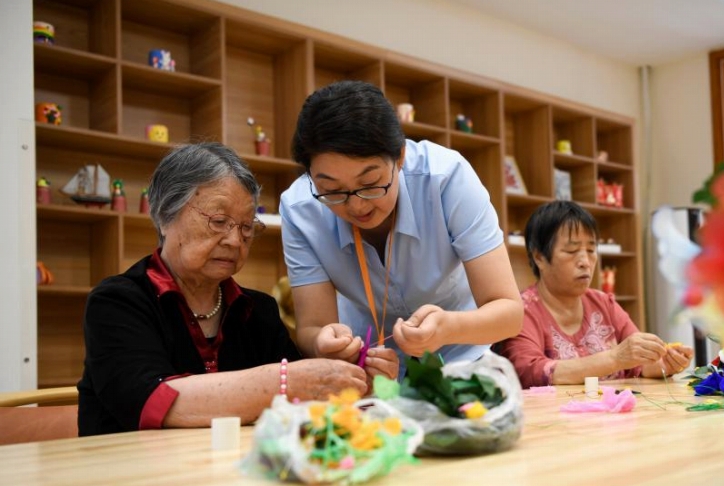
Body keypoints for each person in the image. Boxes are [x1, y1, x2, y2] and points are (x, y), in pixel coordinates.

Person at [78, 143, 372, 436]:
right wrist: (284, 381)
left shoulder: (259, 311)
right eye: (219, 222)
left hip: (236, 474)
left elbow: (300, 406)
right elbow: (151, 401)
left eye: (246, 227)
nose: (234, 240)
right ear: (165, 216)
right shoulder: (118, 302)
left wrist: (352, 377)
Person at [280, 80, 523, 373]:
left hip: (462, 360)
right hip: (368, 369)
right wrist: (324, 345)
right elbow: (312, 327)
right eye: (332, 191)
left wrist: (448, 328)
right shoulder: (299, 209)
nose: (357, 206)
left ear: (400, 157)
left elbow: (509, 312)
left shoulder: (446, 178)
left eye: (369, 184)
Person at [499, 201, 693, 388]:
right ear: (539, 257)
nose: (585, 261)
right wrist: (614, 358)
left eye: (591, 250)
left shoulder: (603, 302)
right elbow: (530, 371)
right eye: (571, 250)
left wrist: (664, 364)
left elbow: (639, 364)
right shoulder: (521, 311)